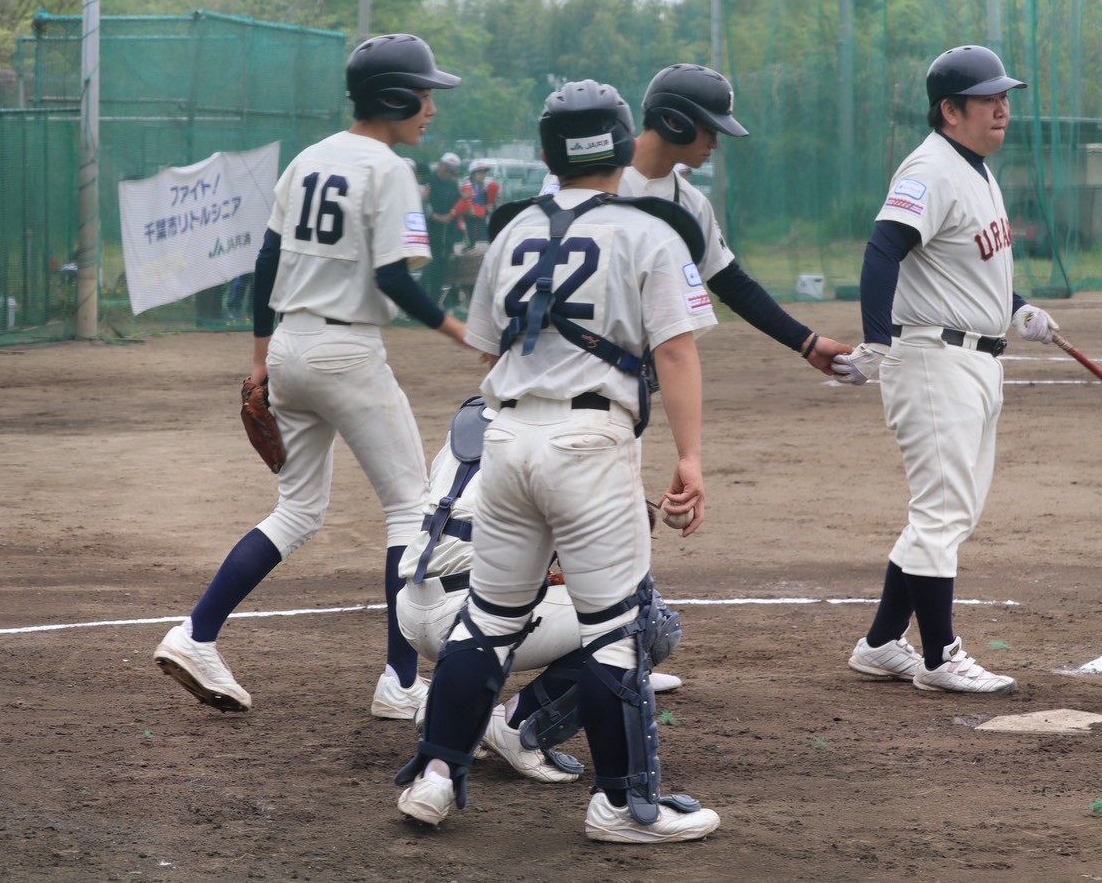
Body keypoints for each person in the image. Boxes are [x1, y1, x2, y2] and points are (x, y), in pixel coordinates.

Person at [393, 80, 721, 844]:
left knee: (488, 621)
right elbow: (675, 352)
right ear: (621, 145)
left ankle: (434, 775)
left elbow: (487, 346)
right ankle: (621, 806)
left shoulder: (513, 229)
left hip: (505, 438)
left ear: (548, 152)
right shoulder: (648, 230)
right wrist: (691, 457)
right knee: (616, 629)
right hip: (588, 442)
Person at [153, 33, 472, 720]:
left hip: (290, 347)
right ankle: (399, 682)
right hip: (346, 352)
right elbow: (394, 278)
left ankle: (195, 635)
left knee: (297, 511)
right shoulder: (388, 170)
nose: (431, 108)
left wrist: (261, 358)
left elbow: (267, 262)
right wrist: (460, 331)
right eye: (423, 94)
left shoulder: (308, 158)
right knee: (411, 509)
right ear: (393, 97)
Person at [830, 45, 1061, 696]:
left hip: (974, 361)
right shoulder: (930, 169)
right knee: (940, 513)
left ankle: (881, 642)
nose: (1002, 108)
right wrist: (875, 344)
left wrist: (1017, 309)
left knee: (949, 513)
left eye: (1004, 97)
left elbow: (966, 269)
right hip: (933, 360)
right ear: (949, 111)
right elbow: (882, 251)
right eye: (988, 99)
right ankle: (939, 656)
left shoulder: (976, 170)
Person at [395, 395, 686, 785]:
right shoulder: (569, 433)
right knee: (647, 620)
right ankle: (516, 726)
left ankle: (449, 704)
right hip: (465, 612)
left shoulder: (476, 415)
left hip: (416, 609)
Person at [622, 63, 852, 375]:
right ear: (674, 121)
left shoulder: (692, 204)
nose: (715, 143)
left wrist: (807, 343)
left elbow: (731, 283)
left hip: (631, 373)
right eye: (709, 129)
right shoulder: (587, 180)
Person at [422, 152, 464, 302]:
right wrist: (436, 217)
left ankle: (436, 301)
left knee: (442, 267)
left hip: (446, 234)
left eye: (452, 171)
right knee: (428, 266)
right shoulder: (428, 181)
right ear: (440, 165)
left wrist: (452, 218)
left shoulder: (453, 185)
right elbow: (421, 203)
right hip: (428, 230)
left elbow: (458, 206)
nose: (449, 174)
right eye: (447, 170)